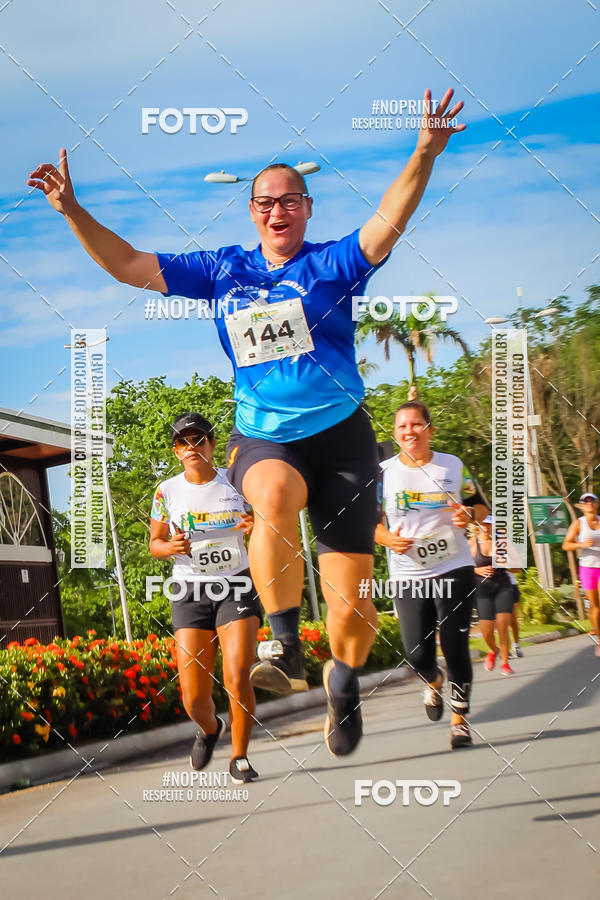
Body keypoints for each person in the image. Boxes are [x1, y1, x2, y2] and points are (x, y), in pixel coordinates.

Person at [28, 88, 465, 756]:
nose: (279, 210)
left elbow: (388, 222)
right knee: (271, 497)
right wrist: (72, 211)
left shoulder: (333, 264)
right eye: (266, 201)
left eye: (291, 200)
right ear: (253, 212)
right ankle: (284, 644)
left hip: (342, 437)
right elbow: (126, 265)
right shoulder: (223, 270)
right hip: (265, 434)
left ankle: (342, 679)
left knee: (351, 612)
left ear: (306, 209)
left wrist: (424, 154)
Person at [149, 412, 262, 783]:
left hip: (236, 585)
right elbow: (155, 543)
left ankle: (240, 756)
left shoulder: (237, 482)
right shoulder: (165, 491)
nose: (192, 447)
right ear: (176, 451)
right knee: (192, 697)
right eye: (184, 442)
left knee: (237, 673)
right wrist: (170, 546)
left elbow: (262, 522)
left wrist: (255, 524)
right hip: (189, 590)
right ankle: (210, 728)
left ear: (212, 445)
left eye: (199, 440)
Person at [376, 402, 488, 749]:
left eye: (417, 425)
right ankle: (434, 681)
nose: (410, 431)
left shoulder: (452, 466)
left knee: (455, 645)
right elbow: (368, 522)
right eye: (403, 427)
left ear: (429, 429)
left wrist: (469, 515)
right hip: (408, 573)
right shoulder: (383, 473)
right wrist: (385, 537)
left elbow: (480, 508)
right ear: (395, 434)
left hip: (453, 566)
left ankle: (460, 721)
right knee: (417, 655)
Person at [470, 515, 517, 675]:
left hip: (503, 587)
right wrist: (477, 570)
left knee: (503, 626)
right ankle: (493, 650)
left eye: (489, 524)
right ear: (477, 525)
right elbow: (463, 567)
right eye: (483, 524)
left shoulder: (503, 542)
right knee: (487, 630)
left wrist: (507, 564)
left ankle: (505, 663)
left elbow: (517, 567)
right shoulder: (472, 543)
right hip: (482, 591)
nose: (486, 527)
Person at [562, 492, 600, 656]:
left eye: (592, 501)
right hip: (587, 568)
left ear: (597, 504)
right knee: (595, 605)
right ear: (582, 505)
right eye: (586, 501)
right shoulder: (578, 523)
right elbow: (566, 545)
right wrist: (582, 544)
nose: (589, 503)